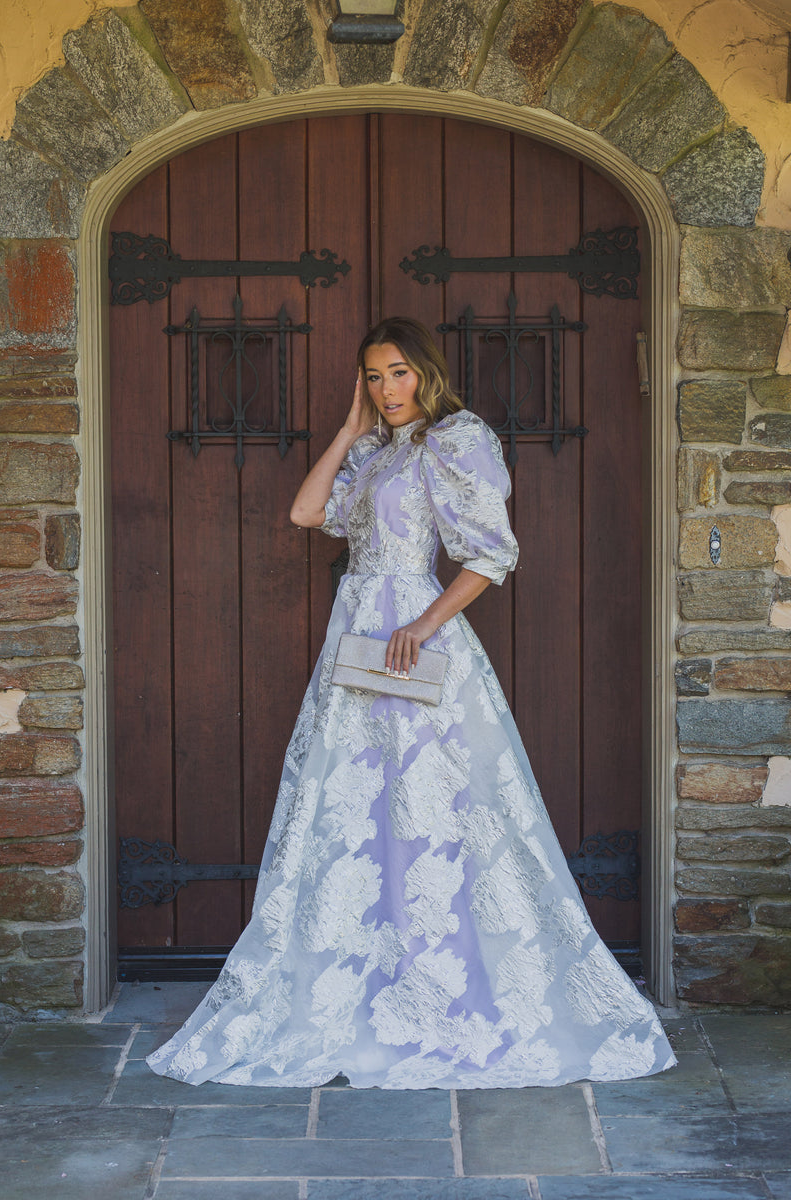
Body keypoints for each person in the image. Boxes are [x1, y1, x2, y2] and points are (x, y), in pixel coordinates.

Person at [147, 317, 676, 1090]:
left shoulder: (455, 441)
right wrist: (346, 427)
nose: (386, 389)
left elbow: (493, 553)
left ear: (424, 373)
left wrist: (424, 624)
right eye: (372, 377)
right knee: (357, 809)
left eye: (396, 373)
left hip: (411, 642)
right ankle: (367, 977)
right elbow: (303, 513)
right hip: (355, 643)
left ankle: (448, 988)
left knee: (438, 808)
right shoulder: (372, 452)